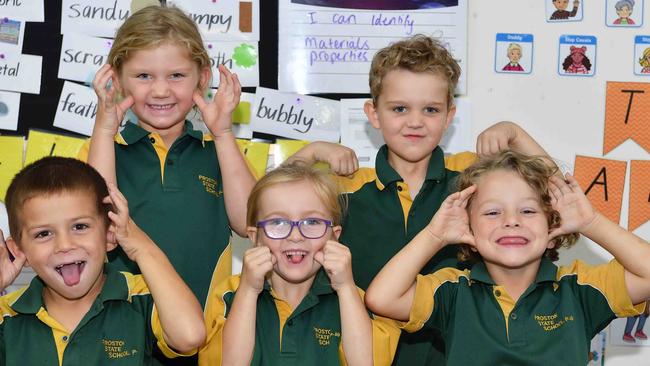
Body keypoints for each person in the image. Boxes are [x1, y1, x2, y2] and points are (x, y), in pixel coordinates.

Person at [289, 34, 550, 365]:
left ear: (449, 115)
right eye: (399, 108)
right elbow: (264, 211)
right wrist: (309, 152)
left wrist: (516, 134)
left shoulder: (473, 178)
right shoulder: (347, 187)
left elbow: (556, 197)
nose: (415, 121)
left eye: (430, 109)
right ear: (373, 113)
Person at [366, 150, 650, 365]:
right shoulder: (454, 292)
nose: (511, 221)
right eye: (492, 212)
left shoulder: (578, 289)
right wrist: (434, 236)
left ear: (552, 224)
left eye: (528, 211)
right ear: (467, 227)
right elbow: (382, 298)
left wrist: (592, 223)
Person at [82, 4, 254, 320]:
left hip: (207, 328)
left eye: (176, 75)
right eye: (144, 76)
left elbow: (249, 222)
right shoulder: (102, 150)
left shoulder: (219, 151)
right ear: (118, 80)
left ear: (202, 79)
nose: (160, 90)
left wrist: (224, 133)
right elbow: (98, 224)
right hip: (122, 332)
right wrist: (104, 130)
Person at [0, 157, 206, 365]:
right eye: (43, 233)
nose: (64, 245)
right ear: (18, 249)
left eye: (80, 227)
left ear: (109, 235)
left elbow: (189, 336)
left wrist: (141, 246)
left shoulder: (140, 298)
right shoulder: (6, 314)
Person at [199, 162, 400, 366]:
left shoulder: (354, 299)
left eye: (312, 222)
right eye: (277, 222)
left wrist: (346, 287)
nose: (295, 236)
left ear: (334, 237)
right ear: (255, 237)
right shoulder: (230, 294)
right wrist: (249, 291)